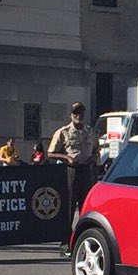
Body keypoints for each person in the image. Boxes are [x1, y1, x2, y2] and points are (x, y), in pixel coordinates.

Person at [48, 101, 100, 254]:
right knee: (69, 208)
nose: (79, 115)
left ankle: (83, 240)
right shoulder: (63, 132)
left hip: (87, 172)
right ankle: (65, 242)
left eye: (81, 113)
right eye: (76, 113)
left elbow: (97, 150)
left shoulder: (91, 132)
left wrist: (94, 158)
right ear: (71, 115)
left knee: (86, 208)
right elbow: (50, 153)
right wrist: (66, 157)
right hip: (71, 171)